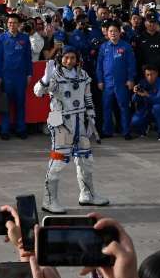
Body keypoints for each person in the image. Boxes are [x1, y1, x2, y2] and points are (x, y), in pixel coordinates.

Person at [34, 47, 108, 213]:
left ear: (77, 59)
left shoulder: (83, 75)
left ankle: (87, 194)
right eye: (66, 57)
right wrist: (45, 79)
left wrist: (91, 117)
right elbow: (38, 92)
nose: (69, 61)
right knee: (58, 161)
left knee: (85, 159)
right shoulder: (55, 75)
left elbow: (87, 97)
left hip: (79, 119)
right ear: (60, 58)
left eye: (72, 58)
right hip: (58, 119)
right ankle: (49, 200)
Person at [0, 13, 33, 140]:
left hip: (20, 76)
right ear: (7, 24)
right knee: (5, 104)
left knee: (20, 103)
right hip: (6, 76)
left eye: (14, 22)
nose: (12, 25)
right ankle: (5, 130)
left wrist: (29, 74)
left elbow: (28, 58)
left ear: (19, 24)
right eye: (10, 23)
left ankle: (21, 129)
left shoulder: (25, 38)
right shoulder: (1, 38)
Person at [96, 21, 136, 139]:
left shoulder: (126, 47)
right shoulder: (104, 47)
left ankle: (126, 131)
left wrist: (130, 79)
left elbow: (131, 64)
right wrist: (100, 80)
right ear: (107, 33)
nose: (113, 33)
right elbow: (99, 66)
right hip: (107, 83)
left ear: (120, 33)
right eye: (110, 31)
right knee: (106, 107)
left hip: (122, 83)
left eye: (115, 31)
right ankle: (107, 131)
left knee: (124, 107)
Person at [130, 65, 160, 140]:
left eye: (152, 74)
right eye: (147, 74)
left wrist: (147, 95)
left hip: (157, 109)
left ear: (156, 74)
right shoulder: (142, 82)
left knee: (158, 108)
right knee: (134, 122)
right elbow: (134, 100)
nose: (150, 77)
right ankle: (144, 129)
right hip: (145, 108)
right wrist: (136, 93)